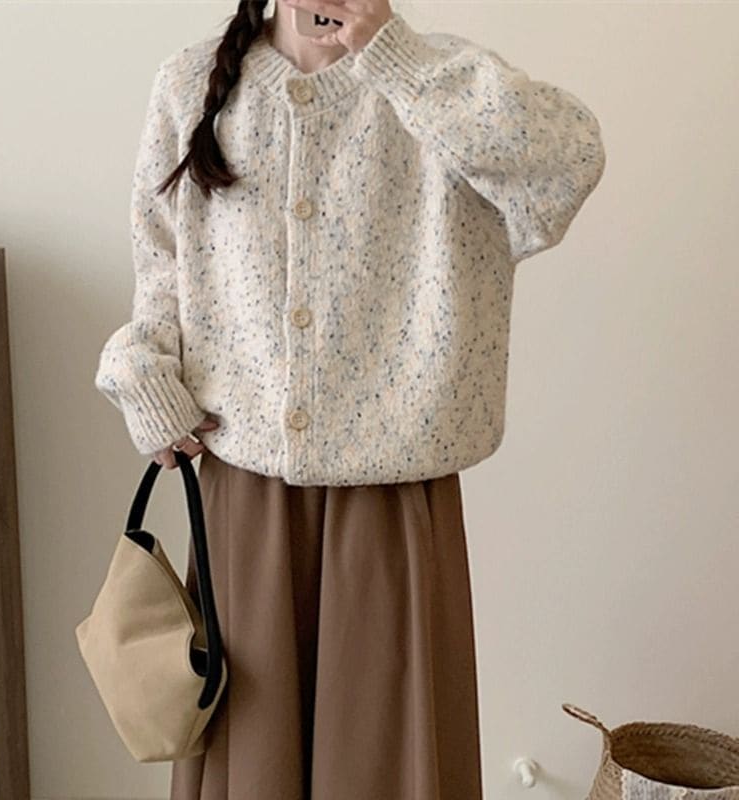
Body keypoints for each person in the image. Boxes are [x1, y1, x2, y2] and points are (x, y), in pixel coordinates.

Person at [94, 0, 606, 797]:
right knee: (253, 763)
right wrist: (145, 379)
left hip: (394, 503)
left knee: (388, 766)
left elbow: (566, 163)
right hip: (245, 502)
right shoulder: (192, 85)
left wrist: (392, 55)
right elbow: (161, 264)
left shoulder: (437, 80)